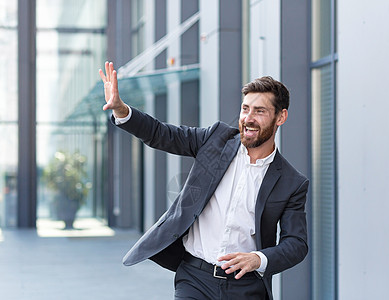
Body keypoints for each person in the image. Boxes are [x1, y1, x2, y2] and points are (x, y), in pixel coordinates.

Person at [99, 61, 309, 300]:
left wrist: (258, 259)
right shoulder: (215, 140)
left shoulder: (292, 182)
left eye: (259, 111)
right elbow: (161, 134)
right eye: (245, 109)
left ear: (281, 117)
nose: (248, 118)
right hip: (194, 279)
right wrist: (121, 110)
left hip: (246, 286)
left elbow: (296, 243)